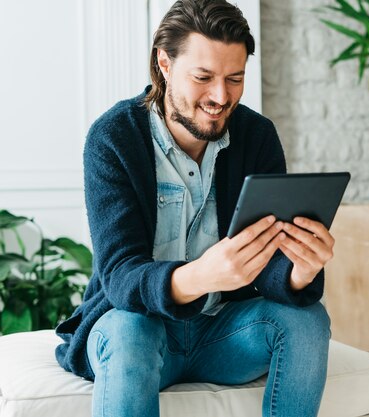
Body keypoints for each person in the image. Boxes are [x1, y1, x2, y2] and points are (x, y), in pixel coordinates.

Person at [54, 1, 335, 416]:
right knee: (132, 328)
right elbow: (119, 278)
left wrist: (299, 271)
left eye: (235, 79)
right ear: (164, 64)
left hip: (222, 334)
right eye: (203, 77)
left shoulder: (257, 136)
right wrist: (201, 275)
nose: (220, 97)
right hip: (140, 332)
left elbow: (270, 265)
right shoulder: (113, 138)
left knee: (308, 320)